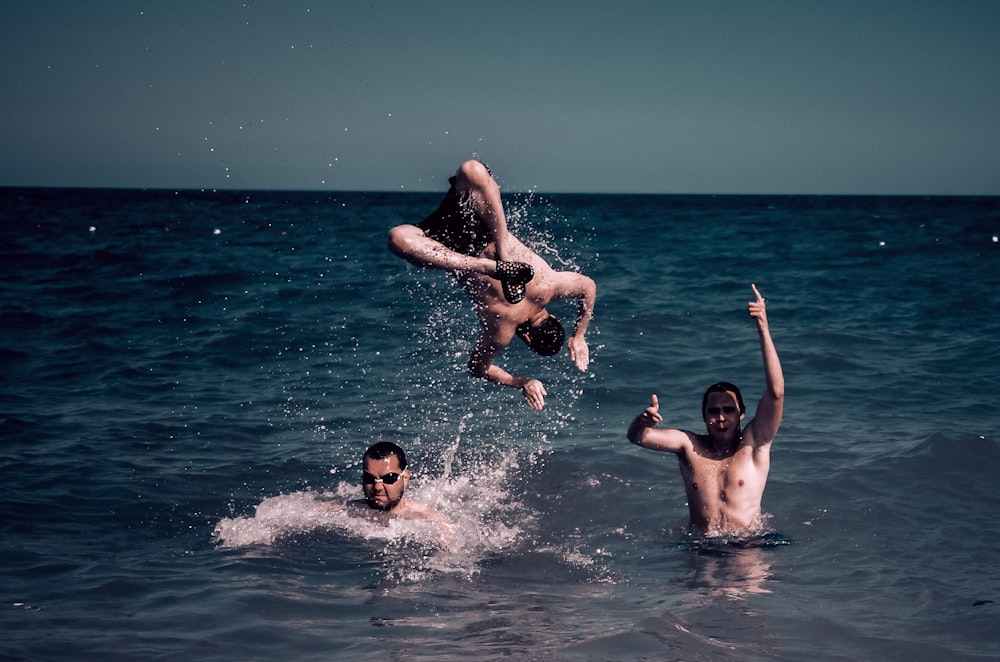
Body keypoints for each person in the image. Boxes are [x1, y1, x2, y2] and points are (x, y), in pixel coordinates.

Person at [388, 159, 596, 410]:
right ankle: (487, 264)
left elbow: (588, 286)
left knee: (472, 169)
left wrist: (580, 334)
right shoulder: (502, 332)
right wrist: (522, 382)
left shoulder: (550, 287)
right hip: (447, 250)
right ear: (528, 339)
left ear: (551, 316)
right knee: (397, 238)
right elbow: (478, 368)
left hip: (480, 223)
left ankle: (500, 258)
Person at [626, 284, 784, 537]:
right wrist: (642, 421)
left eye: (728, 410)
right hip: (700, 547)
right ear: (704, 416)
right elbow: (637, 438)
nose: (720, 417)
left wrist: (763, 328)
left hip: (747, 545)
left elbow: (776, 391)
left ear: (741, 413)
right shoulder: (689, 445)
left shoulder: (755, 444)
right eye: (713, 411)